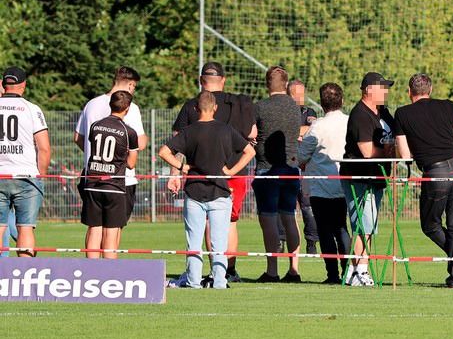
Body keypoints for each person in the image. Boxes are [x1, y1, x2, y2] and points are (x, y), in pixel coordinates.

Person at [394, 73, 453, 288]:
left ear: (409, 92)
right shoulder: (447, 106)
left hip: (436, 173)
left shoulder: (402, 114)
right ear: (430, 90)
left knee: (430, 225)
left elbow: (405, 154)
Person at [159, 91, 255, 289]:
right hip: (220, 192)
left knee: (193, 242)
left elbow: (164, 151)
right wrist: (232, 171)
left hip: (194, 193)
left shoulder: (189, 131)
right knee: (219, 243)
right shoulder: (226, 130)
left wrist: (182, 167)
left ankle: (194, 282)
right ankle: (219, 281)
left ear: (196, 109)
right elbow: (250, 150)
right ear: (215, 108)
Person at [74, 66, 148, 248]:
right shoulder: (131, 108)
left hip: (92, 176)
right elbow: (139, 144)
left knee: (93, 227)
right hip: (121, 179)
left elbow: (78, 138)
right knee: (114, 229)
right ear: (130, 85)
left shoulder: (91, 104)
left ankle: (91, 272)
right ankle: (110, 271)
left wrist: (97, 157)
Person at [341, 71, 397, 287]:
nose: (386, 91)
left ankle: (356, 270)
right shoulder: (360, 114)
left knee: (370, 224)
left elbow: (396, 135)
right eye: (382, 87)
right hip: (359, 177)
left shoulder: (383, 112)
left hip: (378, 176)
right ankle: (359, 271)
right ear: (369, 90)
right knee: (362, 224)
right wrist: (391, 151)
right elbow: (367, 151)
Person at [253, 66, 303, 282]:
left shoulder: (260, 107)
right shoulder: (295, 107)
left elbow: (251, 134)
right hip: (292, 168)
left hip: (267, 169)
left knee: (269, 219)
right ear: (286, 83)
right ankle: (294, 269)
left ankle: (272, 270)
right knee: (289, 217)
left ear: (267, 84)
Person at [297, 83, 350, 284]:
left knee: (325, 230)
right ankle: (347, 272)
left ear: (321, 103)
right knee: (341, 228)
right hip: (343, 185)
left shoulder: (317, 126)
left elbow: (302, 156)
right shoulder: (349, 122)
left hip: (320, 187)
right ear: (342, 101)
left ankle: (333, 275)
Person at [79, 90, 140, 260]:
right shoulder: (129, 132)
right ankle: (109, 275)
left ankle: (91, 272)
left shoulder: (95, 126)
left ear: (110, 104)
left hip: (92, 184)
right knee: (111, 233)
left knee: (94, 229)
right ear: (127, 108)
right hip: (115, 186)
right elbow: (131, 163)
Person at [0, 67, 50, 257]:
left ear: (4, 85)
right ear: (23, 85)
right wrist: (41, 175)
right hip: (26, 177)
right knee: (25, 229)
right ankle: (24, 279)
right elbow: (44, 148)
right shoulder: (31, 109)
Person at [288, 78, 320, 256]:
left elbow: (312, 131)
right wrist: (299, 131)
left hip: (306, 167)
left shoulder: (310, 112)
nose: (300, 98)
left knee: (308, 206)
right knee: (285, 207)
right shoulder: (283, 113)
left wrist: (296, 132)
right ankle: (281, 242)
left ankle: (312, 243)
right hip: (288, 165)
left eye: (301, 94)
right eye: (295, 94)